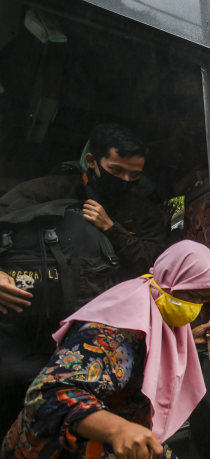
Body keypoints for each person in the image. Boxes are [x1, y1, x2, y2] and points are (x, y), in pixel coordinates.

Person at [0, 241, 210, 459]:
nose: (194, 310)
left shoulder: (154, 302)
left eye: (203, 301)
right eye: (193, 296)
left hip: (116, 449)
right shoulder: (112, 333)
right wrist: (118, 429)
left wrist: (188, 339)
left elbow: (151, 350)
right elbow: (49, 393)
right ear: (171, 280)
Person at [0, 124, 168, 437]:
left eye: (135, 175)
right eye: (117, 170)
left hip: (101, 332)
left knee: (88, 417)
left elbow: (155, 262)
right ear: (92, 161)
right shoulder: (45, 191)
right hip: (30, 327)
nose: (126, 181)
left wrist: (112, 229)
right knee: (20, 408)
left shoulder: (141, 210)